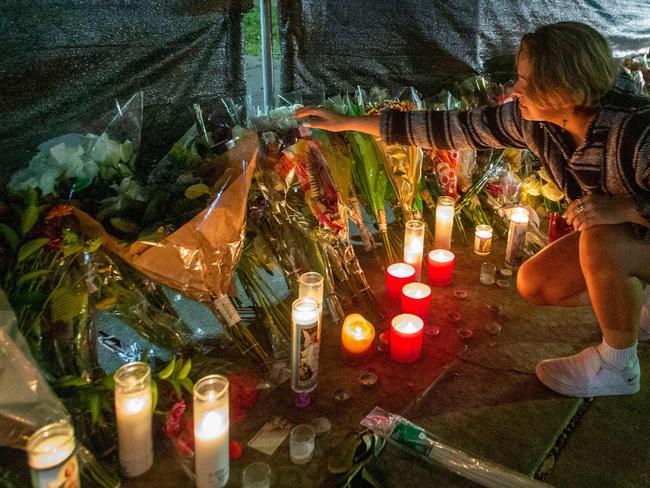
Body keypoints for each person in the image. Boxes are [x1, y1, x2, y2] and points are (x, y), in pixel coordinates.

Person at [296, 21, 650, 398]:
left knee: (602, 241)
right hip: (637, 239)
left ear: (564, 88)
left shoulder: (637, 132)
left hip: (630, 232)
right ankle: (634, 300)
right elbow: (453, 128)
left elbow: (615, 216)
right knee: (537, 283)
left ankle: (618, 365)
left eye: (527, 82)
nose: (515, 90)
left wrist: (627, 209)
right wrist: (349, 122)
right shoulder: (540, 125)